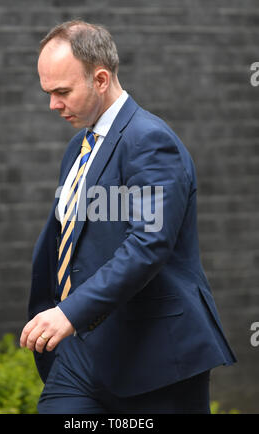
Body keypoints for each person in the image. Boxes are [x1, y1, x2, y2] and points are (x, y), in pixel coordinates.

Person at [20, 20, 236, 414]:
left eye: (62, 92)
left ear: (100, 79)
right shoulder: (78, 148)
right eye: (48, 92)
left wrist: (69, 312)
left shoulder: (150, 141)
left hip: (156, 357)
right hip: (82, 356)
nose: (53, 104)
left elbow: (148, 243)